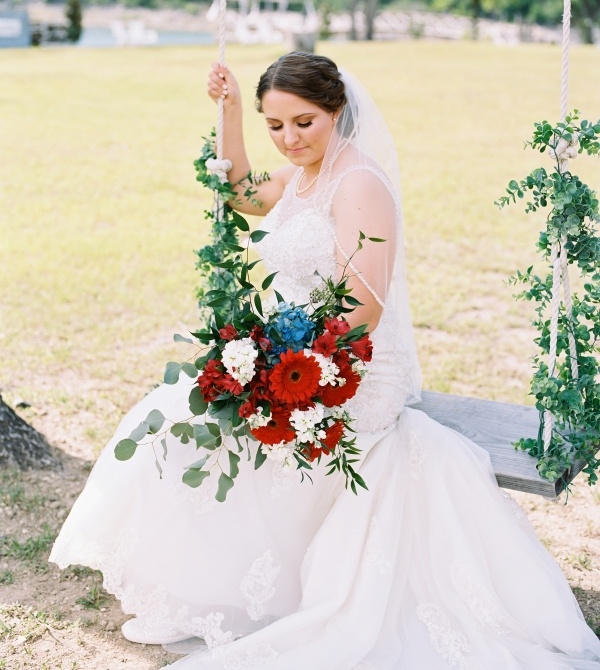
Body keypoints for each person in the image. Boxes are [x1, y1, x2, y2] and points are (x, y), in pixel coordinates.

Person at [50, 53, 600, 669]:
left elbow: (363, 309)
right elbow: (238, 193)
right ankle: (215, 583)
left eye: (304, 122)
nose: (289, 140)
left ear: (337, 110)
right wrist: (229, 110)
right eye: (275, 126)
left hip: (353, 368)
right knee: (173, 417)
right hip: (296, 354)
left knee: (236, 434)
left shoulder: (358, 182)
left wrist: (292, 377)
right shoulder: (299, 177)